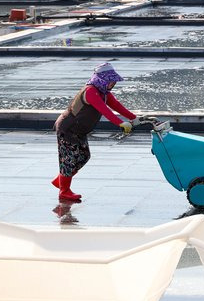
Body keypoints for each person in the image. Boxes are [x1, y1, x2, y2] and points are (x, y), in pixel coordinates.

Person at [52, 62, 140, 201]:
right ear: (102, 79)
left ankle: (61, 180)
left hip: (79, 130)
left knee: (84, 156)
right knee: (69, 160)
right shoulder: (90, 91)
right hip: (68, 129)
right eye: (110, 81)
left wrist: (134, 118)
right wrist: (120, 123)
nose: (112, 84)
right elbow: (104, 110)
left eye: (113, 82)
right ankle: (64, 191)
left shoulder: (104, 92)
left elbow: (116, 106)